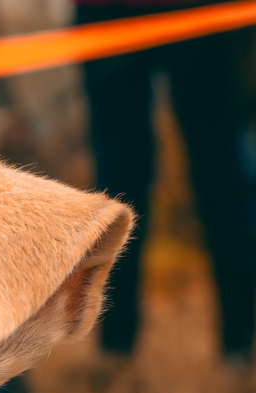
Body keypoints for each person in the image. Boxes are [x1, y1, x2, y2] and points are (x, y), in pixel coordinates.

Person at [77, 1, 256, 362]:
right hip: (113, 10)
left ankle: (239, 346)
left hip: (199, 10)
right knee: (120, 175)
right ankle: (115, 347)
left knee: (215, 169)